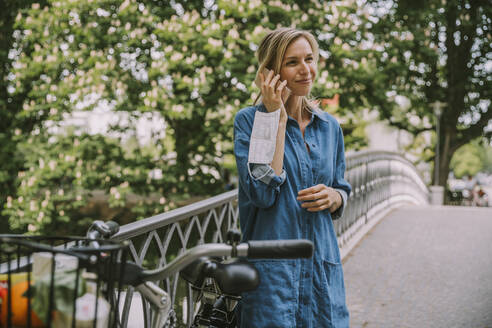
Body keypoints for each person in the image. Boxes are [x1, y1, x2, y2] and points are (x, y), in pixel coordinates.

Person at [233, 27, 352, 328]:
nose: (305, 70)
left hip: (321, 269)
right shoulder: (249, 122)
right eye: (292, 62)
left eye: (309, 59)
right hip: (274, 279)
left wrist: (335, 197)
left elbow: (341, 188)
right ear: (270, 73)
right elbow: (261, 193)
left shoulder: (330, 127)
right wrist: (276, 119)